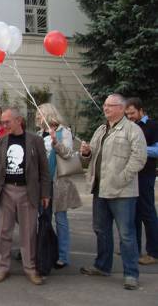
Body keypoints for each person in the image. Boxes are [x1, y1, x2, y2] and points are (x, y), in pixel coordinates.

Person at [79, 94, 147, 290]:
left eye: (110, 106)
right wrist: (86, 152)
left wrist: (122, 178)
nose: (105, 108)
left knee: (126, 234)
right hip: (100, 189)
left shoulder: (132, 130)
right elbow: (89, 158)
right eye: (105, 105)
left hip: (123, 192)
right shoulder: (101, 130)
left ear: (121, 108)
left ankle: (131, 274)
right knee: (101, 230)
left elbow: (139, 158)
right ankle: (102, 266)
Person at [0, 107, 50, 285]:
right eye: (2, 122)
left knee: (29, 233)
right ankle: (2, 268)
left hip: (28, 191)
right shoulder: (1, 141)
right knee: (3, 232)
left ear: (19, 120)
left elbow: (44, 171)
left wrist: (45, 193)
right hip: (6, 191)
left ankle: (30, 269)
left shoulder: (35, 140)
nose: (3, 125)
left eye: (7, 122)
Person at [36, 103, 82, 268]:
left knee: (61, 219)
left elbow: (68, 153)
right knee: (43, 218)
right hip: (43, 182)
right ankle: (44, 251)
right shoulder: (40, 133)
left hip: (59, 181)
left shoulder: (64, 132)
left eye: (40, 114)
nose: (38, 117)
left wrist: (56, 142)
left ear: (48, 115)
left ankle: (63, 256)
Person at [125, 97, 158, 265]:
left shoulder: (152, 126)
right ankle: (134, 250)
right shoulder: (129, 127)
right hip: (131, 175)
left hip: (145, 175)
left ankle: (154, 252)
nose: (129, 116)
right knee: (133, 214)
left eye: (132, 113)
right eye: (127, 114)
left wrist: (139, 148)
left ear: (140, 110)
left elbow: (157, 151)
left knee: (147, 213)